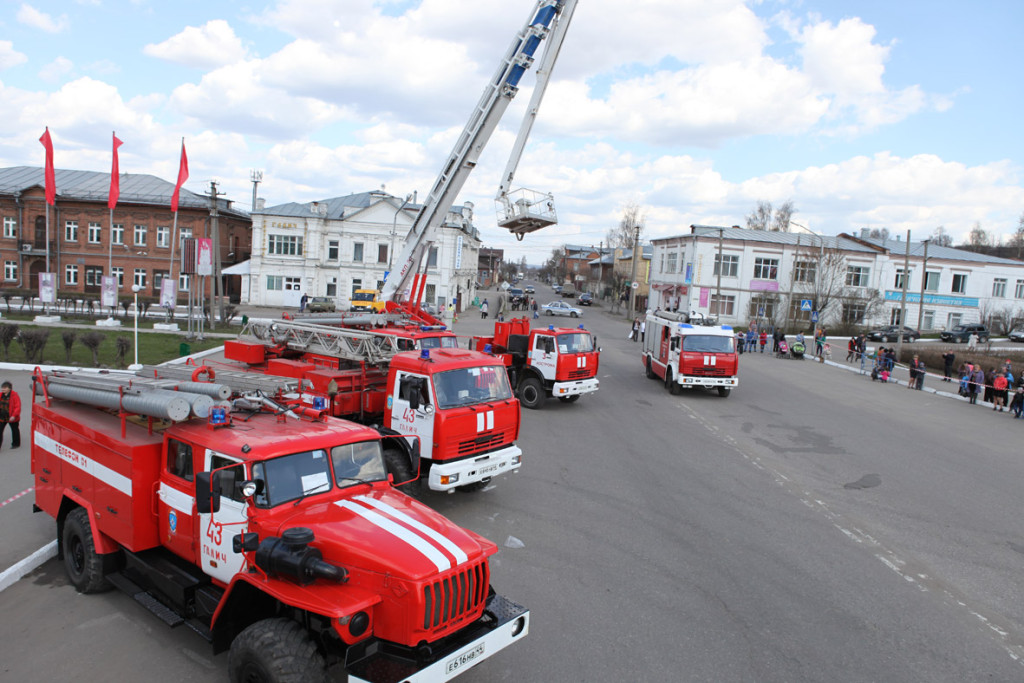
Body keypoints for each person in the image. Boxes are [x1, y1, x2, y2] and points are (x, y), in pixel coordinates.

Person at [0, 381, 21, 449]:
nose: (3, 389)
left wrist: (13, 416)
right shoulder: (0, 395)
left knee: (15, 430)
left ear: (9, 388)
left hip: (11, 417)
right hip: (2, 416)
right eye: (2, 388)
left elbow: (17, 407)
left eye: (5, 388)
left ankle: (16, 443)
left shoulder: (14, 396)